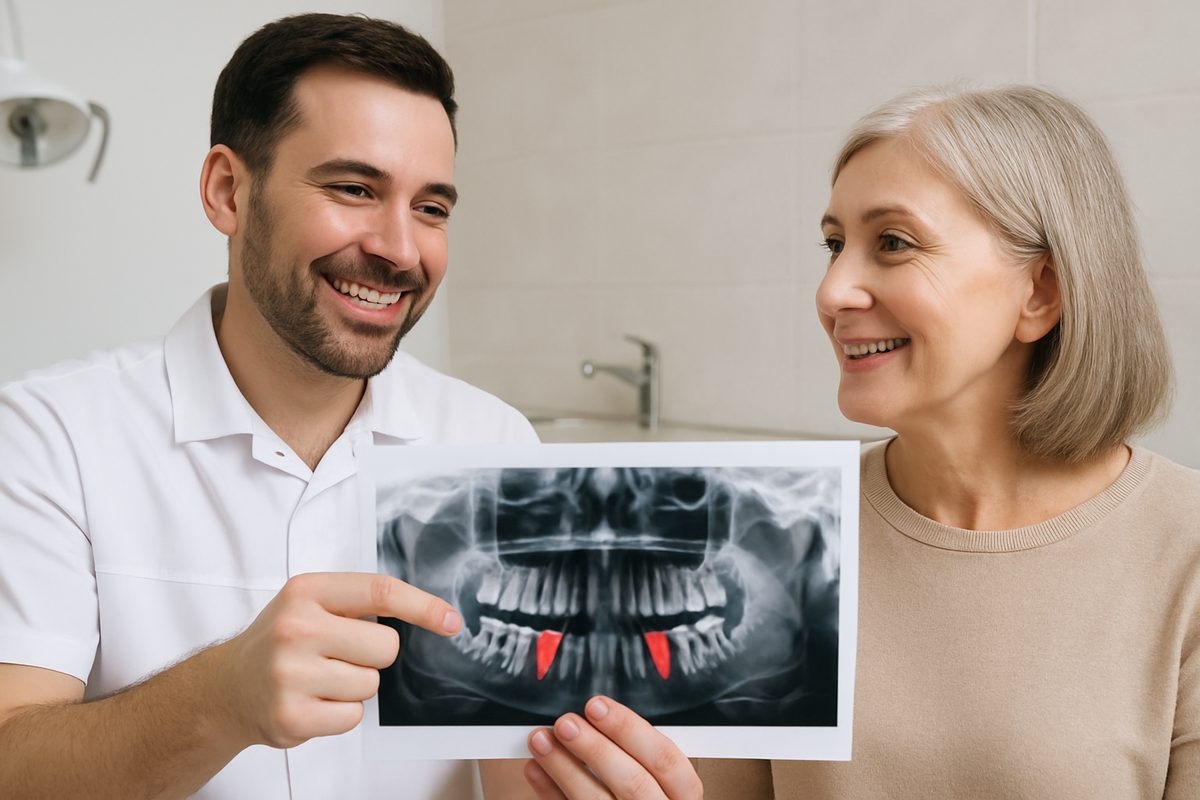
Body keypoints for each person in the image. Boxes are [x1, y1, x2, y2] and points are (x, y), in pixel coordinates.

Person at [485, 86, 1200, 798]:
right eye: (834, 245)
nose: (832, 292)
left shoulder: (1184, 551)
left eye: (893, 242)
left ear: (1040, 291)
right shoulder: (775, 527)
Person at [0, 13, 539, 798]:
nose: (400, 248)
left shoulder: (493, 442)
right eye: (355, 188)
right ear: (227, 191)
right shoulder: (47, 439)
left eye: (431, 208)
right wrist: (221, 699)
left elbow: (516, 758)